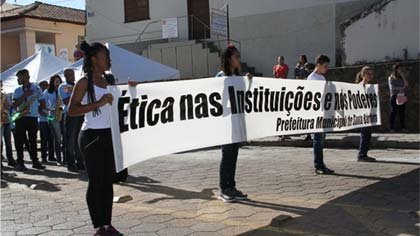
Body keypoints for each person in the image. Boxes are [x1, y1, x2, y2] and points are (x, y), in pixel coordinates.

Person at [68, 41, 122, 236]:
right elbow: (72, 110)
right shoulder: (84, 82)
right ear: (93, 59)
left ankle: (107, 224)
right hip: (91, 136)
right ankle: (98, 226)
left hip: (109, 135)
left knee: (108, 181)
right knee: (96, 181)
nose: (108, 60)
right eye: (105, 56)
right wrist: (97, 103)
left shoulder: (109, 79)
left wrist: (130, 89)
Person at [216, 44, 251, 202]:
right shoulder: (221, 76)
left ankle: (231, 186)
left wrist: (249, 82)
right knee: (227, 155)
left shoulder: (238, 78)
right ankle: (224, 188)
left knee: (233, 156)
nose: (239, 59)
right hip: (226, 124)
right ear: (229, 58)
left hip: (237, 122)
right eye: (236, 56)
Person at [12, 69, 46, 171]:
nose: (18, 80)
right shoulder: (17, 90)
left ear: (26, 77)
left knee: (33, 140)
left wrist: (39, 110)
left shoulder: (36, 88)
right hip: (20, 117)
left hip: (32, 118)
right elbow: (14, 105)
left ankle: (35, 161)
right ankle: (20, 162)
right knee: (19, 141)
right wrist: (24, 95)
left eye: (19, 77)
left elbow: (42, 101)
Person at [307, 55, 334, 175]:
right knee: (318, 139)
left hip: (323, 111)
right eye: (325, 66)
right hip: (316, 113)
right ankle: (318, 165)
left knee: (321, 139)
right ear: (318, 64)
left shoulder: (322, 77)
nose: (326, 68)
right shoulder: (312, 78)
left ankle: (321, 164)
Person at [59, 68, 84, 171]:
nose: (72, 76)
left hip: (80, 113)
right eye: (69, 74)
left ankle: (80, 162)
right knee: (70, 140)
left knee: (78, 140)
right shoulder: (64, 86)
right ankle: (71, 163)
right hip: (71, 115)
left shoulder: (76, 85)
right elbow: (66, 101)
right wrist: (78, 95)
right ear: (65, 76)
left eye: (72, 74)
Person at [355, 67, 376, 162]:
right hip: (363, 114)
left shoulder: (369, 86)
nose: (371, 76)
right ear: (363, 75)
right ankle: (362, 154)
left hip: (368, 113)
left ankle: (364, 153)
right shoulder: (361, 85)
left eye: (372, 74)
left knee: (367, 134)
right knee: (365, 134)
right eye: (368, 74)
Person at [44, 75, 64, 163]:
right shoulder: (47, 92)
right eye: (55, 81)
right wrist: (50, 109)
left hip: (62, 114)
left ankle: (66, 158)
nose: (57, 82)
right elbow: (43, 104)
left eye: (58, 81)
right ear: (52, 82)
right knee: (58, 138)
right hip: (52, 115)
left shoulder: (62, 90)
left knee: (65, 137)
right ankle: (59, 159)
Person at [388, 63, 408, 132]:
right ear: (396, 69)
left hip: (402, 96)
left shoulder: (401, 77)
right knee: (393, 112)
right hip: (394, 96)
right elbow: (392, 88)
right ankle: (391, 128)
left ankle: (403, 127)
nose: (401, 70)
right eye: (399, 69)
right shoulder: (391, 77)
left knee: (402, 112)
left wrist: (402, 75)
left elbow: (406, 84)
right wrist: (402, 88)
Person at [1, 80, 16, 167]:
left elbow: (9, 106)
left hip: (6, 120)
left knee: (8, 142)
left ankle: (10, 159)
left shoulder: (4, 95)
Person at [38, 80, 53, 163]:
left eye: (46, 85)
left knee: (51, 139)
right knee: (44, 139)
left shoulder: (49, 94)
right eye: (42, 85)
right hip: (43, 120)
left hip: (50, 119)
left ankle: (51, 156)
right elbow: (39, 110)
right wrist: (48, 116)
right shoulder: (39, 96)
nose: (44, 86)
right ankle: (44, 157)